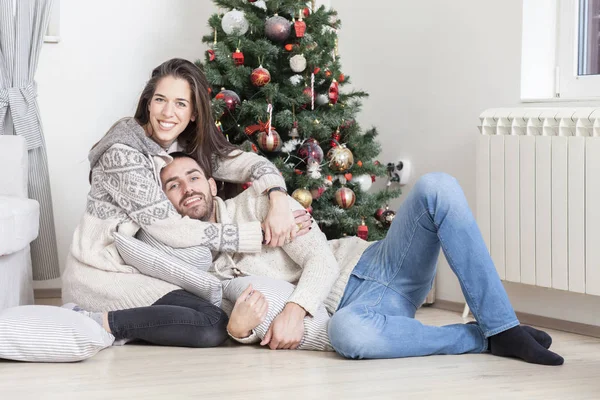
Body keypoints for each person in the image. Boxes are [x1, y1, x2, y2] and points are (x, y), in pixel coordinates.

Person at [144, 153, 564, 365]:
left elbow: (322, 260)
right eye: (173, 186)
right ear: (165, 203)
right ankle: (482, 338)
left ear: (214, 185)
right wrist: (238, 332)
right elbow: (233, 317)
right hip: (359, 312)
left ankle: (502, 324)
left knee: (437, 186)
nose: (187, 188)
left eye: (193, 176)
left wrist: (295, 307)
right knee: (349, 336)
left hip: (378, 263)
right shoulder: (196, 263)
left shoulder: (259, 201)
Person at [61, 58, 309, 348]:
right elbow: (171, 230)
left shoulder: (178, 145)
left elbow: (250, 164)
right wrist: (261, 234)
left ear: (193, 113)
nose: (168, 112)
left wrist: (277, 198)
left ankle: (120, 325)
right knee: (211, 323)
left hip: (137, 270)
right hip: (99, 273)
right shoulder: (122, 153)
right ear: (147, 104)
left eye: (180, 103)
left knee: (209, 313)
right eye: (160, 100)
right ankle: (93, 321)